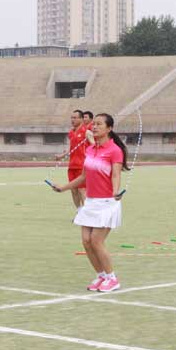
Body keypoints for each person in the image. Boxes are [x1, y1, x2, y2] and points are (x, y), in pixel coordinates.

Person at [51, 113, 129, 292]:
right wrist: (63, 188)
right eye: (93, 124)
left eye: (99, 124)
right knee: (86, 241)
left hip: (107, 202)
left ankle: (112, 278)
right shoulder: (90, 149)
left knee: (96, 241)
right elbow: (83, 177)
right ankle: (101, 276)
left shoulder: (114, 150)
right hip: (91, 202)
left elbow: (116, 174)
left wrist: (116, 191)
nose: (94, 127)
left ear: (109, 128)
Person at [56, 109, 90, 210]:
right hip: (72, 166)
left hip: (82, 166)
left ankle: (87, 213)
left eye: (75, 118)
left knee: (82, 190)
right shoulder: (71, 133)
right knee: (73, 189)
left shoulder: (87, 132)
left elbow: (94, 146)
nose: (72, 120)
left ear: (81, 119)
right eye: (71, 118)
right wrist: (62, 155)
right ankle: (79, 211)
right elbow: (72, 148)